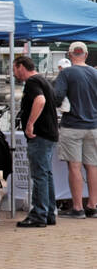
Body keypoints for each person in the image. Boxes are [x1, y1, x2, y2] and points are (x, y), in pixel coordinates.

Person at [51, 41, 97, 217]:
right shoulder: (95, 73)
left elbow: (57, 97)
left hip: (72, 125)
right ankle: (93, 205)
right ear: (85, 55)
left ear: (69, 55)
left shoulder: (67, 73)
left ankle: (77, 208)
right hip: (93, 125)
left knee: (75, 167)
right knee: (92, 166)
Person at [14, 55, 59, 227]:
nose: (14, 73)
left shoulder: (32, 82)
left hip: (40, 135)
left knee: (39, 175)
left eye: (14, 68)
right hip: (49, 134)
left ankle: (39, 214)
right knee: (46, 174)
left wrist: (30, 124)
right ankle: (48, 212)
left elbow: (40, 100)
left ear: (21, 66)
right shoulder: (44, 80)